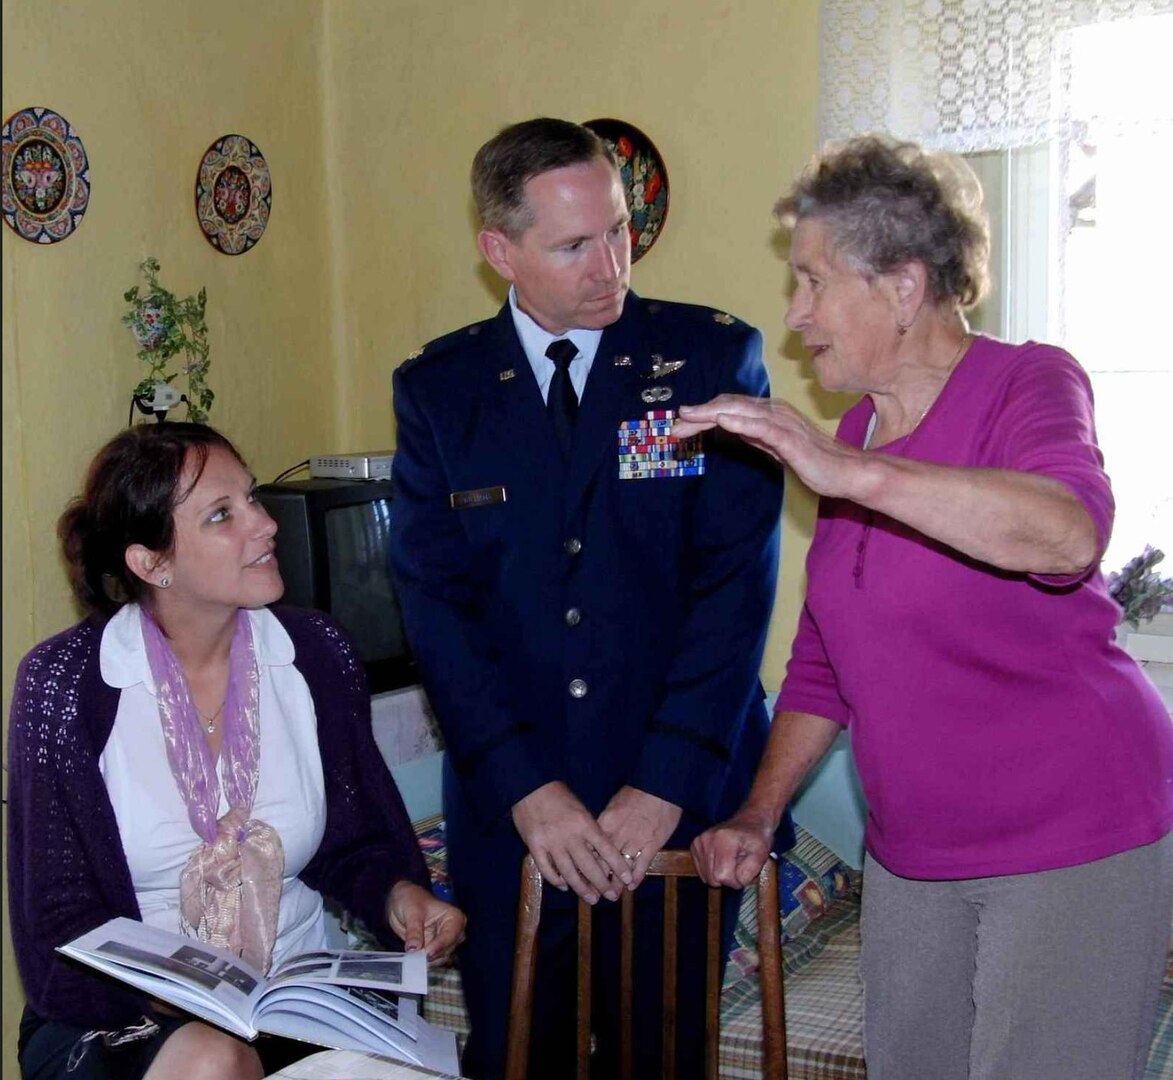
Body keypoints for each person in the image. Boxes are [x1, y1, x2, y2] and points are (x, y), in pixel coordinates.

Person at [683, 134, 1173, 1080]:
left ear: (904, 288)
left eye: (814, 281)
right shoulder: (862, 429)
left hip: (1068, 831)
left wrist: (848, 470)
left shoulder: (1025, 382)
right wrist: (756, 811)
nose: (795, 313)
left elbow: (1067, 537)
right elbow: (828, 662)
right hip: (912, 851)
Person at [388, 117, 791, 1078]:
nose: (609, 263)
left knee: (662, 1051)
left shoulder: (707, 359)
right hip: (515, 804)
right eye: (573, 245)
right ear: (499, 252)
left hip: (677, 790)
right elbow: (435, 604)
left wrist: (662, 786)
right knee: (517, 1050)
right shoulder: (440, 390)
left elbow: (734, 589)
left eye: (616, 230)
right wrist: (528, 793)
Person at [8, 422, 466, 1080]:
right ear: (152, 563)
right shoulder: (65, 685)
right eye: (223, 515)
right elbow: (59, 926)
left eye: (252, 498)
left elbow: (354, 845)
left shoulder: (316, 653)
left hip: (293, 999)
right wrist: (187, 997)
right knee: (214, 1062)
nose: (265, 525)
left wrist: (401, 899)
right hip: (124, 1015)